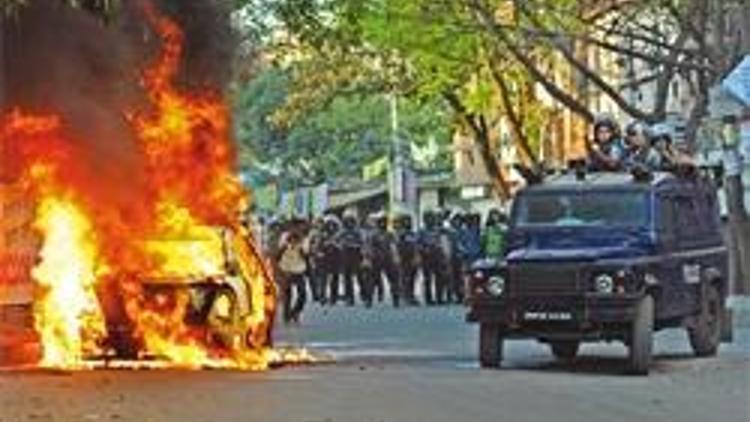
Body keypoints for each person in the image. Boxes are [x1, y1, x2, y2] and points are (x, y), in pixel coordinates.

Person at [276, 224, 308, 324]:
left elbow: (306, 256)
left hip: (299, 271)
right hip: (286, 271)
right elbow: (277, 257)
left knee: (303, 294)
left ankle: (295, 312)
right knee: (287, 295)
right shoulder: (284, 244)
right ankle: (286, 316)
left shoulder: (302, 243)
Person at [369, 212, 402, 308]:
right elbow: (369, 247)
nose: (382, 223)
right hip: (376, 259)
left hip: (388, 259)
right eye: (380, 221)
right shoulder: (373, 235)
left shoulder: (390, 234)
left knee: (393, 280)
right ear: (377, 223)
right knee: (372, 281)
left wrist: (396, 257)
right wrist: (368, 259)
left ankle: (396, 299)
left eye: (384, 221)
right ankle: (369, 299)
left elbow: (394, 246)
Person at [419, 210, 450, 305]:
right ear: (424, 220)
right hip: (426, 256)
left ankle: (439, 298)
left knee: (439, 277)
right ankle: (428, 299)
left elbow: (445, 238)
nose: (430, 220)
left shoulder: (438, 229)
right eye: (428, 218)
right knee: (427, 278)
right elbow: (418, 244)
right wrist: (424, 249)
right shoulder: (422, 231)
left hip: (437, 255)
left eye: (432, 218)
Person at [334, 208, 363, 306]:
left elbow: (362, 243)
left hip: (356, 254)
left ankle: (364, 294)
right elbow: (335, 241)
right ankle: (349, 298)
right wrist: (341, 245)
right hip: (345, 255)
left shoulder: (357, 231)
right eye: (347, 220)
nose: (349, 222)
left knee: (360, 276)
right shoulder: (342, 231)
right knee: (347, 277)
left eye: (351, 220)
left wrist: (356, 246)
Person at [395, 213, 420, 306]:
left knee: (413, 278)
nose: (407, 223)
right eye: (405, 221)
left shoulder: (413, 234)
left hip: (412, 258)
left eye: (408, 221)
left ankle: (411, 295)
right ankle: (406, 296)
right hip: (403, 258)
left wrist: (417, 256)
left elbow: (416, 246)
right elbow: (396, 246)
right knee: (405, 277)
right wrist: (397, 257)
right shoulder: (399, 234)